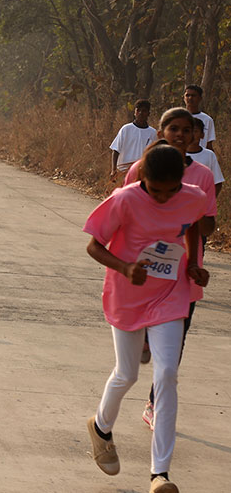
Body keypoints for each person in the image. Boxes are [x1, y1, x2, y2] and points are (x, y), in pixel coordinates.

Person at [84, 144, 210, 493]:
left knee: (167, 373)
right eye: (156, 190)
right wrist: (125, 267)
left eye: (171, 190)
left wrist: (195, 264)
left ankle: (160, 474)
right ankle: (100, 427)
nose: (164, 198)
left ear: (181, 182)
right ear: (143, 178)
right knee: (127, 373)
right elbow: (93, 244)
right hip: (127, 293)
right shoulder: (124, 199)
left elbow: (193, 226)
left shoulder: (194, 196)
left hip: (169, 293)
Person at [123, 108, 216, 431]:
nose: (179, 134)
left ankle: (154, 403)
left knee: (178, 340)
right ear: (160, 132)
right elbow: (126, 215)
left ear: (195, 136)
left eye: (186, 130)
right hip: (147, 268)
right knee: (138, 342)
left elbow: (207, 227)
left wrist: (193, 206)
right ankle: (145, 339)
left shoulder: (202, 175)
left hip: (184, 271)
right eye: (172, 128)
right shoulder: (139, 169)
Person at [110, 100, 157, 182]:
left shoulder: (153, 133)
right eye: (138, 110)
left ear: (148, 114)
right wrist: (113, 170)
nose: (140, 113)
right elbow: (116, 150)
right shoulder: (126, 129)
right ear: (135, 112)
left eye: (144, 111)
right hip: (125, 172)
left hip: (143, 173)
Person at [187, 118, 223, 197]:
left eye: (195, 131)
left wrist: (208, 202)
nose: (192, 135)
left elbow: (217, 183)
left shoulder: (209, 155)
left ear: (202, 135)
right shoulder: (176, 155)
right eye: (188, 131)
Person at [183, 85, 215, 150]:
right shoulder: (177, 117)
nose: (190, 98)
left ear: (200, 98)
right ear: (184, 98)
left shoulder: (207, 120)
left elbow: (209, 145)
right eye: (187, 95)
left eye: (193, 95)